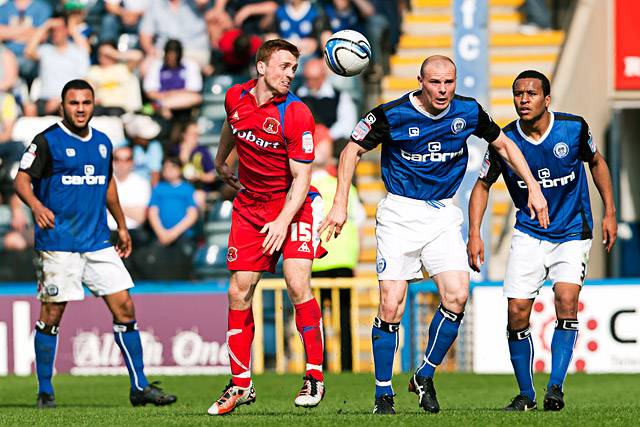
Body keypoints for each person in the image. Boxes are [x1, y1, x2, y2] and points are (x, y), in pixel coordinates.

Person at [319, 55, 549, 415]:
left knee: (457, 295)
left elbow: (503, 145)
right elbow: (351, 150)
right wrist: (339, 204)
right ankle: (383, 394)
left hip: (442, 213)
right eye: (435, 83)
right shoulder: (391, 114)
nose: (442, 90)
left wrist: (532, 186)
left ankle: (424, 374)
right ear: (421, 82)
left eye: (449, 82)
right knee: (391, 304)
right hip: (399, 212)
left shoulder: (468, 112)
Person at [13, 79, 176, 408]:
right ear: (63, 106)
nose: (80, 108)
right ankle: (45, 390)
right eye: (74, 103)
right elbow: (21, 179)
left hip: (98, 241)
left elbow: (107, 185)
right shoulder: (47, 142)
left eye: (86, 102)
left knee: (125, 307)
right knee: (52, 314)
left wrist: (121, 225)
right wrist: (37, 206)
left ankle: (140, 386)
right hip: (58, 243)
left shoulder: (102, 142)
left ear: (93, 104)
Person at [467, 70, 617, 412]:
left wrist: (610, 211)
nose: (523, 99)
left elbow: (597, 163)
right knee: (517, 311)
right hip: (529, 233)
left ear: (546, 99)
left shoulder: (572, 129)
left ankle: (555, 389)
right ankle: (525, 395)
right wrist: (475, 233)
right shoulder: (504, 141)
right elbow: (482, 185)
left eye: (531, 94)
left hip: (571, 231)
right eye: (518, 94)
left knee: (566, 299)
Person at [207, 39, 327, 415]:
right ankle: (241, 385)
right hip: (251, 207)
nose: (290, 74)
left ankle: (314, 376)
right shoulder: (234, 97)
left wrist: (281, 220)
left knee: (296, 282)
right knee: (237, 292)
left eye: (294, 67)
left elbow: (302, 178)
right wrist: (221, 159)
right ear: (261, 67)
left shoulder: (296, 113)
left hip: (292, 204)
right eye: (284, 66)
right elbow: (233, 124)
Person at [23, 15, 90, 116]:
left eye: (59, 30)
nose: (55, 33)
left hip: (68, 99)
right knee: (29, 108)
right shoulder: (45, 50)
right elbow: (28, 52)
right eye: (53, 30)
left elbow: (86, 53)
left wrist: (71, 29)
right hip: (44, 99)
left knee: (64, 107)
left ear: (67, 30)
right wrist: (46, 26)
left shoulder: (78, 51)